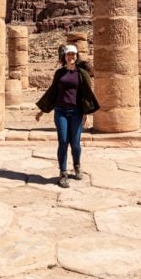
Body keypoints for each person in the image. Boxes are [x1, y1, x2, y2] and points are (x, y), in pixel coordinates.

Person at [35, 43, 100, 188]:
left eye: (73, 54)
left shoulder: (81, 73)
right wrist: (42, 110)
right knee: (63, 141)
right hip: (60, 111)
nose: (71, 57)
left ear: (76, 57)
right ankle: (63, 173)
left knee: (75, 143)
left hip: (76, 112)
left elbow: (86, 95)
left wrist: (86, 114)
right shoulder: (59, 73)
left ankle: (77, 166)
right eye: (68, 54)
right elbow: (52, 92)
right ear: (64, 57)